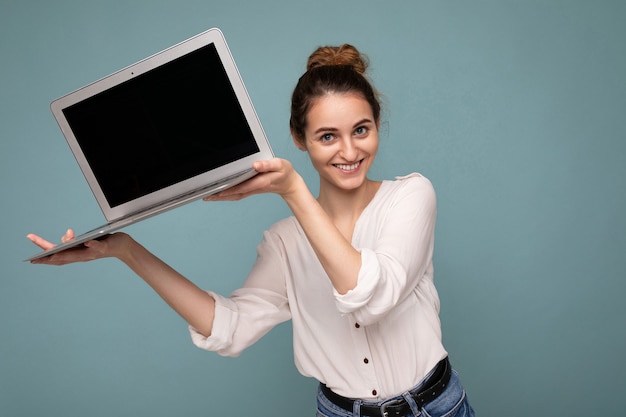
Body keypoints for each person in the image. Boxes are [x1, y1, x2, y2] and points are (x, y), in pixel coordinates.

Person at [28, 43, 475, 417]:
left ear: (377, 126)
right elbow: (230, 328)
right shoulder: (284, 242)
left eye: (362, 130)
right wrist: (127, 250)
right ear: (299, 139)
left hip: (435, 407)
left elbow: (371, 296)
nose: (349, 150)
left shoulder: (411, 196)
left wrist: (293, 190)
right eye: (327, 136)